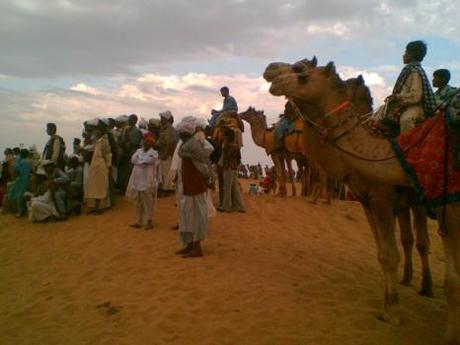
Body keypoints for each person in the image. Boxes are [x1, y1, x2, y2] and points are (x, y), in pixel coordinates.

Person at [175, 116, 214, 258]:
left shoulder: (193, 144)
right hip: (188, 184)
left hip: (195, 184)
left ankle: (197, 247)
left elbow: (203, 160)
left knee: (197, 216)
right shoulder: (186, 144)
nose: (179, 134)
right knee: (187, 215)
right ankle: (189, 244)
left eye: (181, 132)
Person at [387, 40, 436, 133]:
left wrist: (397, 97)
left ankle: (408, 145)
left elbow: (415, 96)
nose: (403, 55)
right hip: (404, 105)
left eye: (406, 52)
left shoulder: (415, 72)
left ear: (412, 54)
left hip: (415, 107)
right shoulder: (408, 70)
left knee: (406, 120)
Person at [126, 132, 158, 230]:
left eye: (149, 142)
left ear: (152, 143)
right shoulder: (138, 150)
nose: (146, 143)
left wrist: (140, 160)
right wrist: (142, 160)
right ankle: (139, 221)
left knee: (148, 201)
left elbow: (149, 161)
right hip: (136, 179)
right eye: (145, 141)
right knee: (137, 201)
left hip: (147, 181)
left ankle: (149, 221)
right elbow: (133, 160)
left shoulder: (154, 153)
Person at [217, 127, 245, 213]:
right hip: (233, 168)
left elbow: (226, 155)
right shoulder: (235, 145)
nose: (222, 136)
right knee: (234, 187)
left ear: (227, 136)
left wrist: (224, 144)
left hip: (228, 167)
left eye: (224, 135)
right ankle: (239, 206)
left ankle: (226, 207)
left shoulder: (229, 145)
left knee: (227, 187)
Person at [86, 121, 112, 215]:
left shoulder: (104, 141)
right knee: (93, 186)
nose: (96, 132)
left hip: (101, 165)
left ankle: (99, 208)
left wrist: (108, 166)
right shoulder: (96, 141)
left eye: (98, 130)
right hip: (94, 165)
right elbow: (91, 149)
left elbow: (108, 154)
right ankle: (94, 207)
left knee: (100, 186)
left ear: (101, 131)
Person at [118, 114, 142, 193]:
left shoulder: (137, 131)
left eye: (131, 119)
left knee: (131, 171)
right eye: (129, 119)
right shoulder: (127, 130)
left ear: (135, 121)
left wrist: (125, 143)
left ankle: (131, 189)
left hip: (132, 153)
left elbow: (134, 143)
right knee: (125, 172)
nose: (129, 121)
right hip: (126, 153)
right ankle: (124, 187)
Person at [156, 111, 178, 195]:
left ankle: (167, 189)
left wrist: (166, 153)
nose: (161, 120)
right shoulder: (163, 128)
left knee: (167, 171)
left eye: (162, 118)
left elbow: (169, 142)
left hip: (167, 153)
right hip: (162, 152)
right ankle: (164, 188)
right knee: (163, 171)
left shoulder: (170, 129)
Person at [7, 149, 31, 217]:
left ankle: (20, 211)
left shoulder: (22, 161)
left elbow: (16, 171)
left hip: (20, 180)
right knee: (21, 195)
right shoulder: (27, 161)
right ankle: (22, 210)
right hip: (25, 180)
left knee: (18, 196)